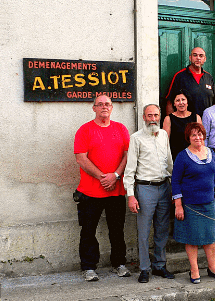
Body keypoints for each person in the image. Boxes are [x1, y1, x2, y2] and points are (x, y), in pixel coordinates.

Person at [74, 95, 131, 282]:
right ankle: (89, 267)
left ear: (112, 108)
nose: (104, 107)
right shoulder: (84, 130)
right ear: (94, 108)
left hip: (116, 189)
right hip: (90, 191)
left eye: (107, 104)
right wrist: (102, 177)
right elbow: (81, 158)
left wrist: (115, 176)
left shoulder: (121, 129)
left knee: (117, 229)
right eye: (100, 104)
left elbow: (127, 155)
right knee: (88, 230)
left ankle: (119, 264)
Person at [123, 104, 175, 283]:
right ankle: (144, 268)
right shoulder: (136, 138)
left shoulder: (164, 135)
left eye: (156, 115)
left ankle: (159, 265)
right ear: (144, 117)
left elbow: (169, 162)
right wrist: (131, 195)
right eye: (149, 115)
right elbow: (130, 170)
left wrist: (175, 189)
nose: (153, 118)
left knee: (162, 230)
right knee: (144, 231)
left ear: (160, 116)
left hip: (164, 187)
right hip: (145, 189)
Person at [172, 123, 215, 283]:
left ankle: (212, 267)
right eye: (194, 135)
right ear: (188, 137)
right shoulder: (183, 156)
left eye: (200, 134)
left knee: (210, 238)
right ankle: (194, 270)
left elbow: (214, 176)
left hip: (208, 203)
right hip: (190, 204)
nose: (198, 137)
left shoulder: (210, 153)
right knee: (192, 238)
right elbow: (175, 181)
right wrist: (178, 205)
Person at [165, 47, 215, 118]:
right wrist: (171, 122)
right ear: (190, 58)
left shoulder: (209, 77)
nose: (198, 58)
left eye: (201, 56)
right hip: (186, 123)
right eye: (195, 55)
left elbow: (214, 102)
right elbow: (170, 102)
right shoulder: (180, 76)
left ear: (205, 59)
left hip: (207, 123)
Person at [163, 90, 202, 160]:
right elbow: (165, 142)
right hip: (175, 157)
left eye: (183, 100)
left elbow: (201, 140)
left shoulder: (196, 118)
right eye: (177, 100)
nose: (181, 103)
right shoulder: (168, 119)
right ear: (174, 104)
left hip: (193, 157)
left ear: (187, 102)